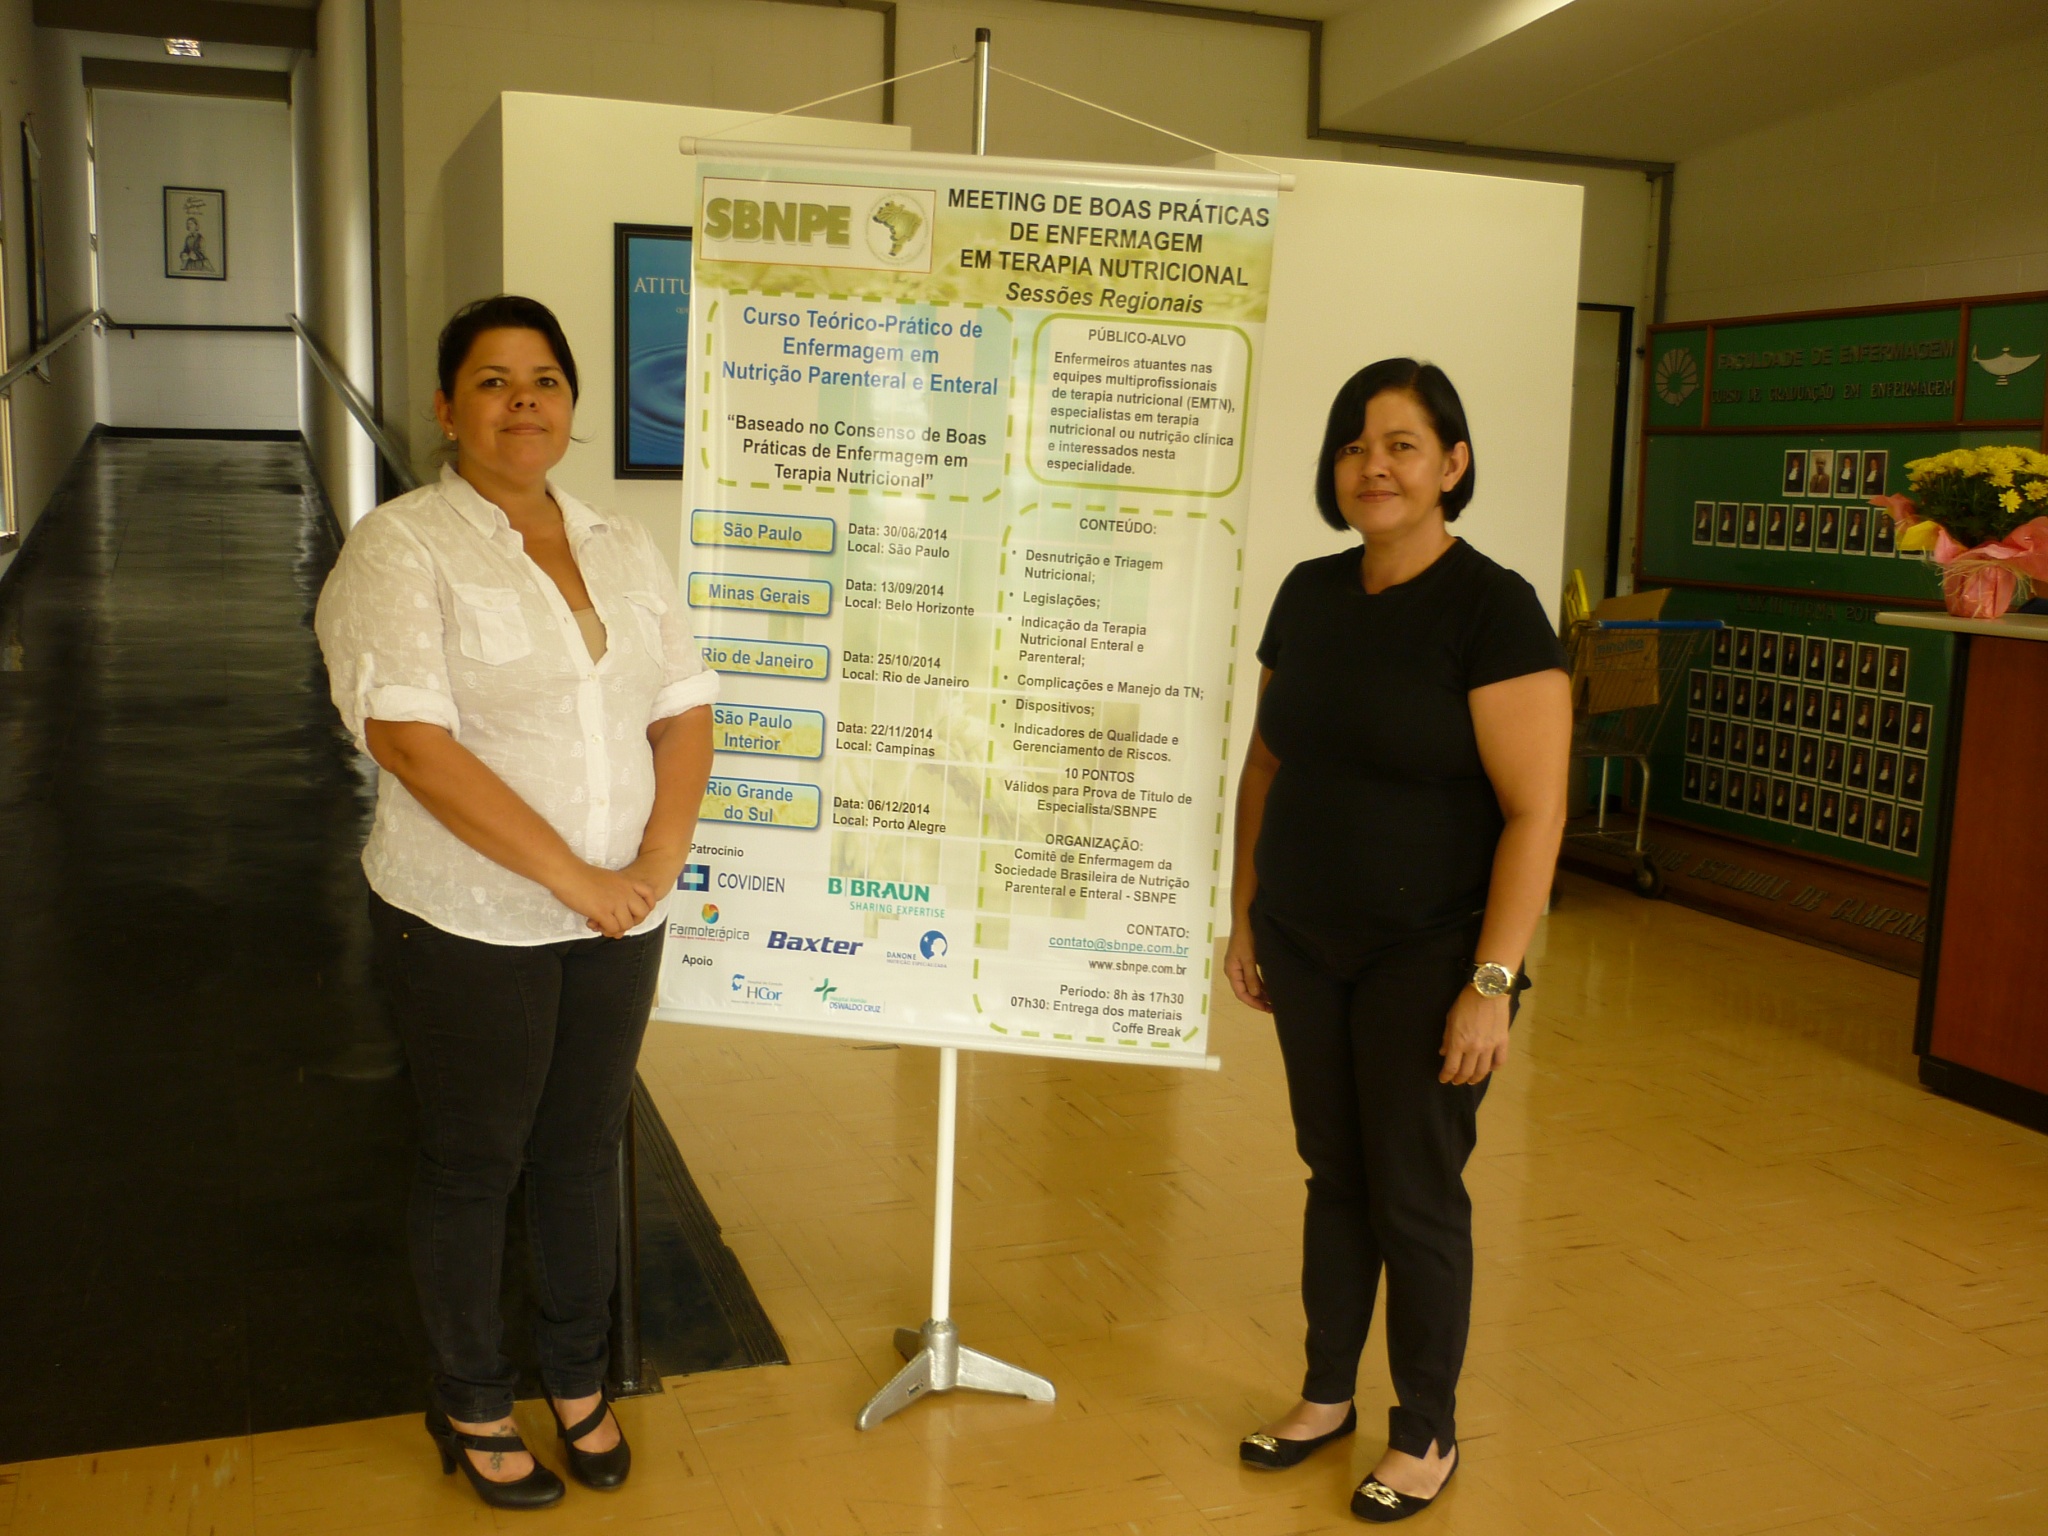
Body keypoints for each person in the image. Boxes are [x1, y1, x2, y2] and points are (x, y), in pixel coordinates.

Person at [314, 295, 718, 1510]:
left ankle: (580, 1380)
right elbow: (411, 741)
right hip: (470, 916)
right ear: (446, 409)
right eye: (491, 381)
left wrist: (654, 857)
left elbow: (683, 707)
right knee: (474, 1159)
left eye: (543, 377)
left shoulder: (620, 541)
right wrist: (575, 879)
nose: (523, 399)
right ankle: (475, 1398)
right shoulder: (402, 546)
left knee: (582, 1150)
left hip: (618, 911)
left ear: (573, 404)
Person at [1223, 360, 1569, 1522]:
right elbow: (1266, 764)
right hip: (1306, 940)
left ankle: (1423, 1430)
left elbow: (1535, 812)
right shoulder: (1309, 594)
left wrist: (1491, 983)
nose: (1374, 465)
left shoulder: (1493, 608)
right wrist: (1244, 911)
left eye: (1403, 445)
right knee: (1335, 1175)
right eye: (1354, 446)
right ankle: (1325, 1395)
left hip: (1432, 951)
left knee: (1413, 1191)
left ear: (1452, 466)